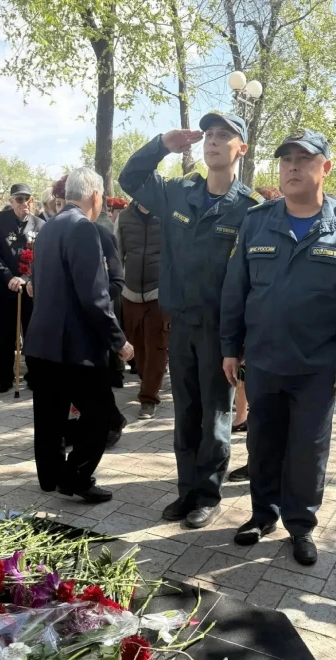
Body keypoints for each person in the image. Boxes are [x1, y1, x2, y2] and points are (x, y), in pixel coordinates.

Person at [220, 129, 336, 565]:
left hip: (317, 366)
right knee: (263, 443)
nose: (292, 166)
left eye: (304, 159)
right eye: (286, 159)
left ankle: (301, 525)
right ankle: (262, 514)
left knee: (307, 450)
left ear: (325, 167)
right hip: (264, 361)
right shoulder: (257, 221)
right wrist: (230, 346)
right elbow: (236, 290)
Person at [119, 113, 263, 529]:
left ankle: (208, 494)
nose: (213, 141)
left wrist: (243, 340)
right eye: (209, 134)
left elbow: (255, 277)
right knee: (185, 413)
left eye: (224, 135)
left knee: (215, 415)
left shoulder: (251, 209)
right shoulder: (179, 193)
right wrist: (162, 144)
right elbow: (131, 178)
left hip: (221, 331)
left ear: (241, 148)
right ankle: (187, 491)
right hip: (179, 323)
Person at [24, 168, 134, 502]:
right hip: (74, 346)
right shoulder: (83, 228)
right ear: (96, 196)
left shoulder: (49, 227)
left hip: (41, 340)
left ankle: (51, 477)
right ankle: (76, 477)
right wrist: (118, 340)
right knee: (99, 415)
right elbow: (95, 296)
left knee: (49, 415)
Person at [228, 185, 283, 483]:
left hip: (292, 349)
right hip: (257, 343)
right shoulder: (252, 238)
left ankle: (279, 473)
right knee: (260, 413)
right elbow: (241, 292)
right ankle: (257, 466)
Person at [0, 183, 44, 392]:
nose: (24, 203)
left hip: (29, 288)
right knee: (6, 335)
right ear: (11, 201)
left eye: (28, 199)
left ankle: (34, 375)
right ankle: (5, 378)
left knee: (32, 333)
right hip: (6, 288)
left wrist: (25, 278)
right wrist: (9, 277)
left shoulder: (40, 225)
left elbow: (40, 258)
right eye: (19, 199)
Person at [116, 200, 167, 419]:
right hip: (130, 292)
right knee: (137, 347)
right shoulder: (123, 217)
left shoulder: (167, 215)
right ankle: (147, 383)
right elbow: (117, 254)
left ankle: (148, 397)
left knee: (156, 346)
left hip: (159, 293)